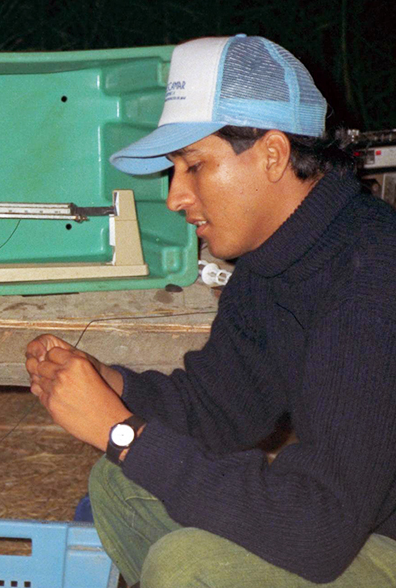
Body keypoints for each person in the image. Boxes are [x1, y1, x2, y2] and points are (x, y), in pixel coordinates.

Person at [25, 35, 396, 586]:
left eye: (195, 166)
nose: (175, 197)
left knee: (188, 566)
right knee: (122, 485)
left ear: (272, 154)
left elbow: (319, 533)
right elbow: (219, 411)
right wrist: (115, 387)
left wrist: (121, 431)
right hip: (350, 522)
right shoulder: (275, 259)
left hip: (371, 536)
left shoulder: (370, 279)